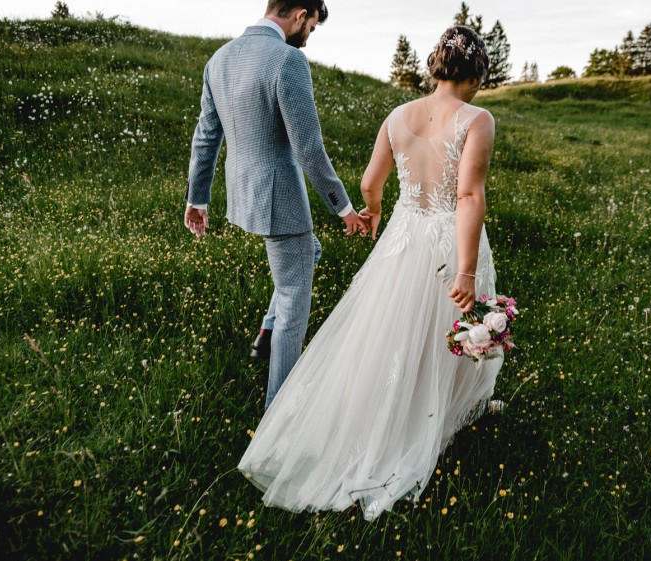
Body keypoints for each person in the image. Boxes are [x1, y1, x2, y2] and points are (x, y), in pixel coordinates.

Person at [238, 25, 502, 521]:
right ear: (478, 72)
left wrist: (375, 210)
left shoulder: (398, 116)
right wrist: (465, 270)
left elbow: (369, 180)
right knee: (446, 321)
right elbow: (468, 196)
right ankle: (433, 416)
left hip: (404, 234)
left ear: (435, 66)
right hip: (447, 238)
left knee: (390, 327)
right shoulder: (477, 119)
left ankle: (399, 409)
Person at [183, 0, 368, 409]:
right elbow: (308, 148)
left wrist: (198, 198)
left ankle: (265, 335)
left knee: (308, 254)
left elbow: (205, 136)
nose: (309, 36)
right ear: (300, 14)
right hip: (278, 200)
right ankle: (278, 414)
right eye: (312, 27)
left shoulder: (219, 59)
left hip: (244, 195)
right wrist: (344, 208)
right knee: (293, 302)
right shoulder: (287, 61)